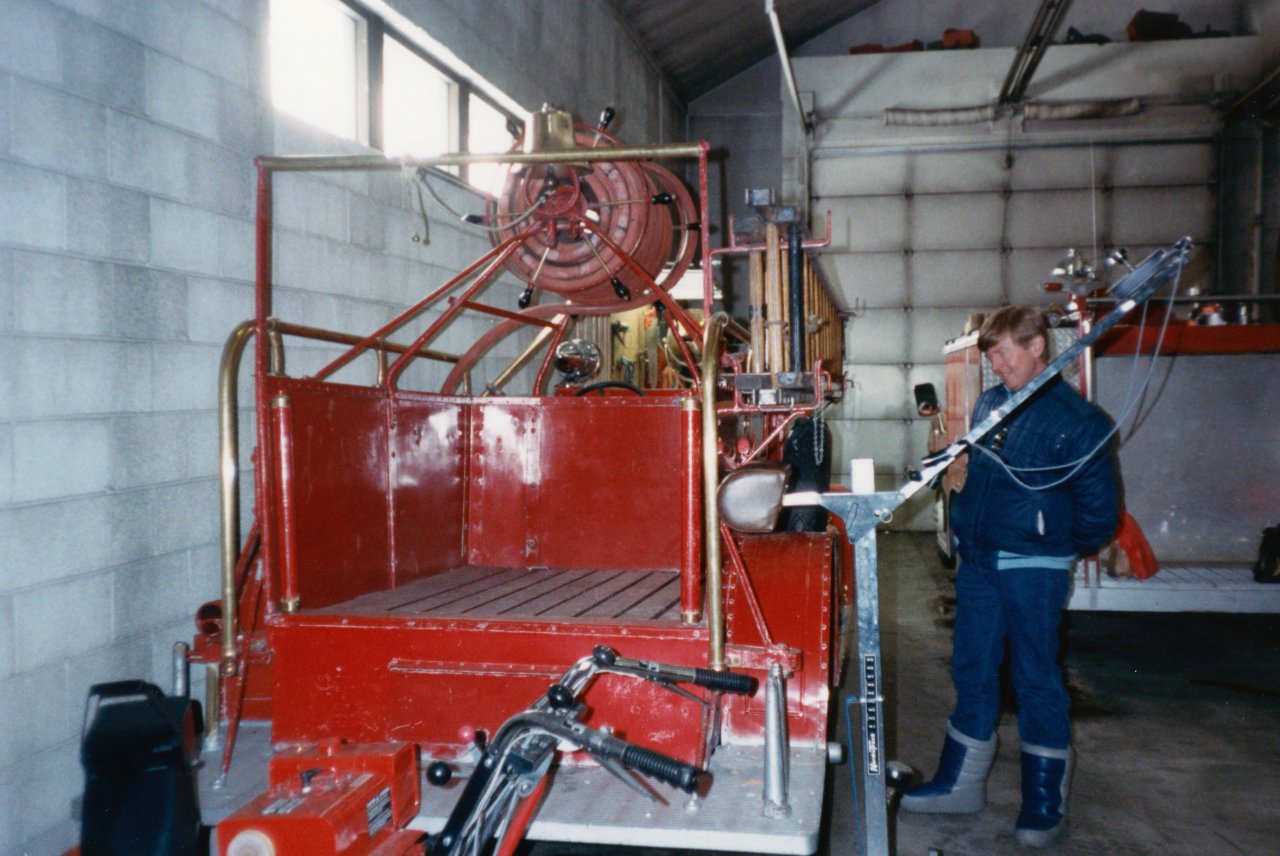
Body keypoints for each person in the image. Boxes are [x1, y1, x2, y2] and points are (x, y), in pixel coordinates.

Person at [901, 306, 1118, 848]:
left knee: (1036, 679)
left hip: (1032, 570)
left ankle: (1044, 803)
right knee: (971, 670)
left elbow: (1099, 514)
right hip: (978, 561)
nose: (996, 365)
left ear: (1039, 345)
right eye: (991, 354)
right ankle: (960, 784)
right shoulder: (991, 403)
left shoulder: (1080, 421)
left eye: (1005, 353)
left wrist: (1052, 543)